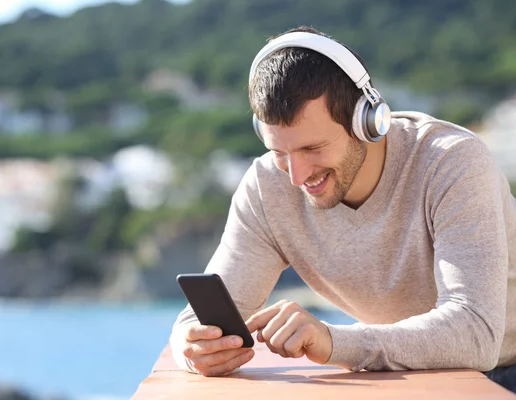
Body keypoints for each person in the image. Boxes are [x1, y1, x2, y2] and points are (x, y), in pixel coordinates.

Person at [169, 25, 516, 392]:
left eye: (312, 148)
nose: (297, 176)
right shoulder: (266, 188)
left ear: (367, 121)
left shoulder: (451, 163)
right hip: (418, 374)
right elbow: (197, 319)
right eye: (280, 152)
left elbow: (476, 332)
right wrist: (192, 348)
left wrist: (335, 342)